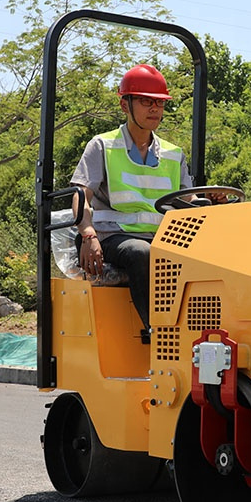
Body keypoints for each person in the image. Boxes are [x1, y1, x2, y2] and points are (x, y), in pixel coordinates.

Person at [70, 64, 192, 342]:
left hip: (161, 240)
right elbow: (80, 197)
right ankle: (160, 333)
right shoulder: (102, 146)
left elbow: (189, 200)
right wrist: (88, 236)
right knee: (141, 253)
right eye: (146, 101)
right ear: (125, 105)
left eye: (159, 103)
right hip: (110, 238)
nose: (155, 109)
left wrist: (212, 201)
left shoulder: (174, 154)